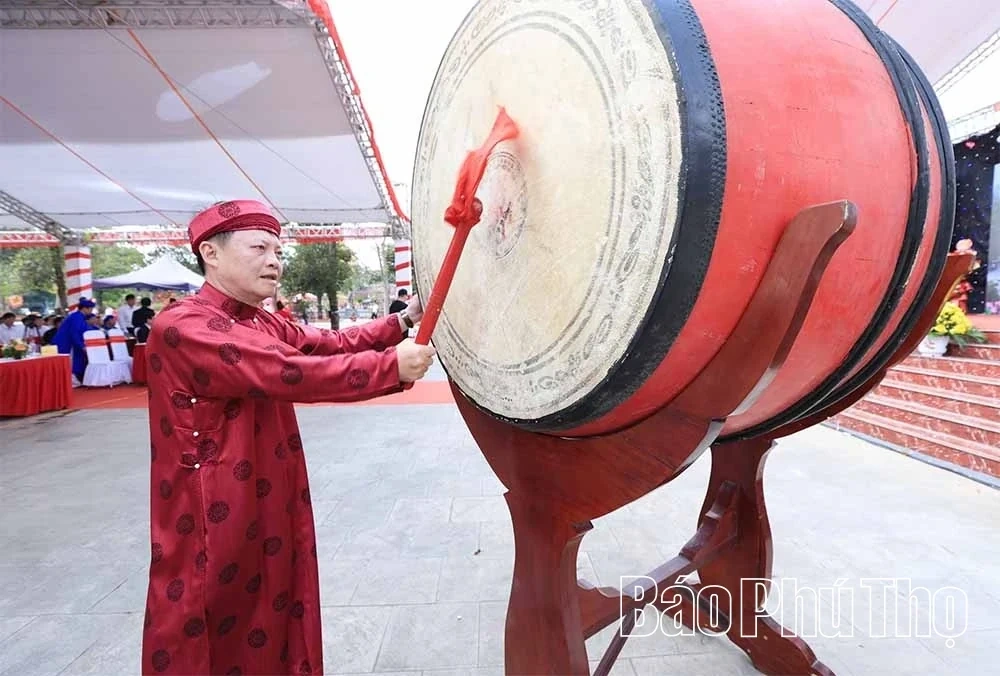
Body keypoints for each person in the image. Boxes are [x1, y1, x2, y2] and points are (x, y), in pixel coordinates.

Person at [141, 200, 436, 675]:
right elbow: (289, 372)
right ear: (210, 254)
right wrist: (390, 366)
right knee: (212, 615)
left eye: (278, 250)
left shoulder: (260, 319)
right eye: (259, 247)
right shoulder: (185, 325)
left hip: (270, 490)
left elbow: (327, 344)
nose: (274, 260)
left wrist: (402, 320)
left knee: (278, 599)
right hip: (214, 510)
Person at [53, 298, 96, 382]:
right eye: (91, 309)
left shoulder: (79, 317)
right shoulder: (76, 318)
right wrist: (82, 346)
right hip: (67, 344)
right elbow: (74, 334)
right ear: (84, 308)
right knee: (70, 362)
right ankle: (71, 380)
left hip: (71, 342)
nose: (91, 311)